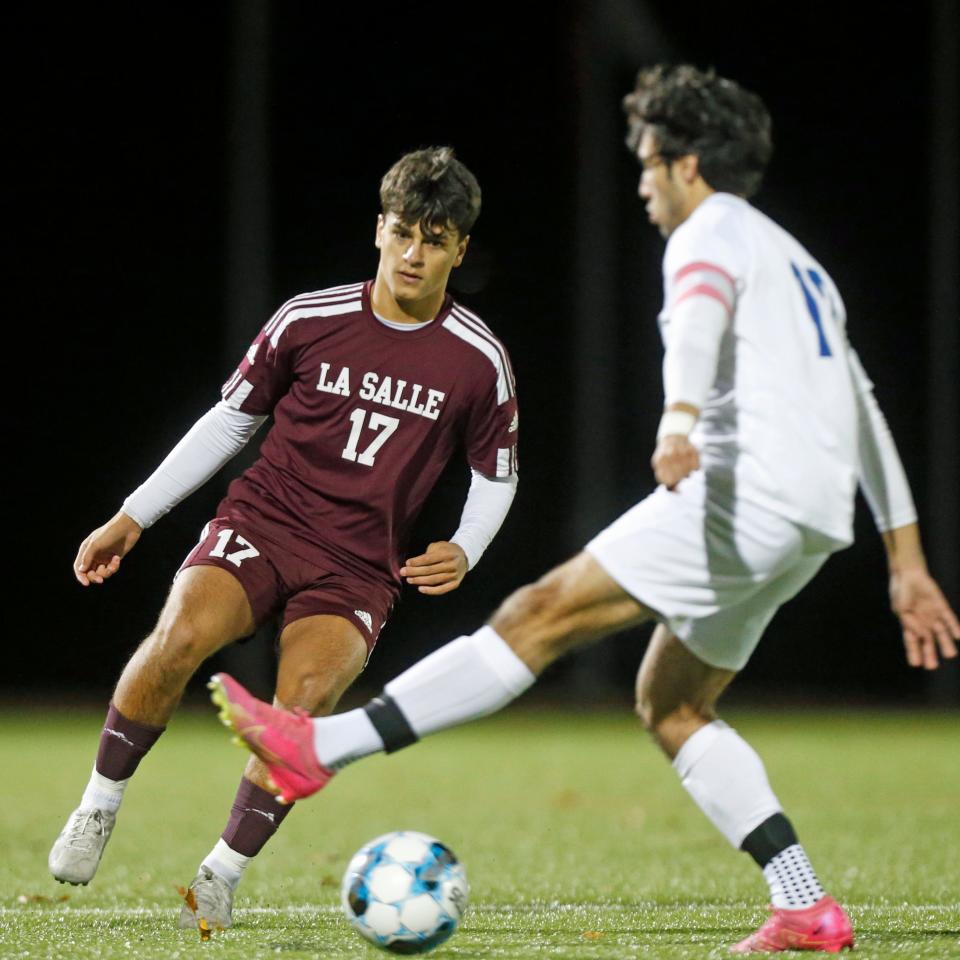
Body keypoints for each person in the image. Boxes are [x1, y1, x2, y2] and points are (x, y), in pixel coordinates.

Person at [210, 65, 960, 954]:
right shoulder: (799, 262)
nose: (642, 185)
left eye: (648, 165)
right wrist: (905, 560)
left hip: (742, 490)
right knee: (673, 701)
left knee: (536, 617)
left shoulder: (707, 234)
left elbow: (701, 317)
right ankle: (803, 904)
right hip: (812, 520)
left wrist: (679, 420)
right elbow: (863, 408)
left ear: (687, 166)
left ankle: (319, 748)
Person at [47, 147, 520, 930]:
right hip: (264, 524)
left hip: (359, 567)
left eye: (435, 240)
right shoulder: (310, 317)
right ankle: (99, 804)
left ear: (460, 250)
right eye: (403, 232)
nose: (413, 253)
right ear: (378, 229)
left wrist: (467, 546)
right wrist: (134, 514)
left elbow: (496, 474)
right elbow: (231, 420)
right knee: (179, 638)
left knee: (302, 708)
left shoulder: (479, 360)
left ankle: (220, 873)